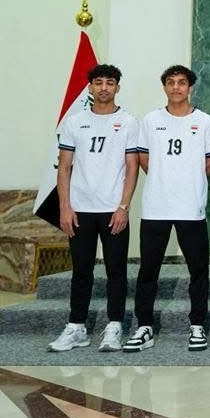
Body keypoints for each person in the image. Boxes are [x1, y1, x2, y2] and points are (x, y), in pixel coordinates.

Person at [124, 65, 210, 353]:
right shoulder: (151, 120)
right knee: (148, 270)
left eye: (182, 82)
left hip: (191, 208)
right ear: (164, 87)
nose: (176, 87)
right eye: (171, 82)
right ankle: (144, 326)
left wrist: (187, 181)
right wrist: (165, 179)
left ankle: (197, 325)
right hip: (156, 207)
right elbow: (143, 158)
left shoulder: (204, 121)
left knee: (198, 270)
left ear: (190, 87)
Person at [48, 64, 140, 353]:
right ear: (90, 87)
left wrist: (123, 207)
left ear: (117, 88)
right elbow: (64, 168)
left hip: (113, 210)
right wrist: (65, 207)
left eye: (109, 83)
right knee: (81, 270)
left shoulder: (128, 122)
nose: (103, 88)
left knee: (116, 270)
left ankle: (114, 326)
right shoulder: (74, 122)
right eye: (98, 82)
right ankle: (77, 327)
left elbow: (132, 167)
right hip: (80, 210)